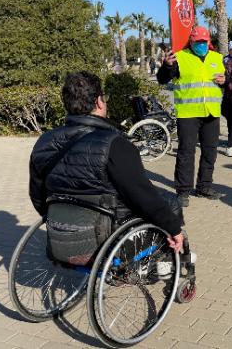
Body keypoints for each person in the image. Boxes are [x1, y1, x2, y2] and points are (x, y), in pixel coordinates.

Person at [28, 71, 185, 267]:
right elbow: (141, 195)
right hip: (105, 232)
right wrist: (173, 227)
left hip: (63, 231)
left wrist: (60, 216)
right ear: (99, 102)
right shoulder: (114, 144)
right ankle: (167, 259)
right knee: (168, 202)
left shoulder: (44, 141)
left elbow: (37, 195)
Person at [157, 26, 225, 206]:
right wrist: (167, 66)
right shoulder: (180, 57)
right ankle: (183, 191)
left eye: (204, 42)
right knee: (186, 152)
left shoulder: (217, 58)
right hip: (188, 114)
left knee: (210, 151)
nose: (201, 45)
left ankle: (204, 186)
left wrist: (224, 81)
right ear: (191, 42)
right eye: (198, 42)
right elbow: (162, 79)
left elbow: (224, 81)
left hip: (211, 112)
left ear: (208, 41)